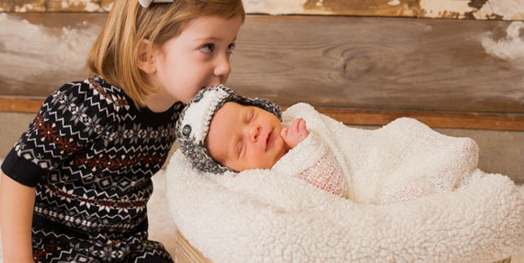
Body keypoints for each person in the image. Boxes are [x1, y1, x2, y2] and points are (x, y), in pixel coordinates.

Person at [0, 0, 244, 263]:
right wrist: (17, 262)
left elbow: (232, 133)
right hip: (62, 243)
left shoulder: (180, 110)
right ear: (148, 54)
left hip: (124, 240)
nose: (225, 65)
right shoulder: (84, 104)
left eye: (229, 47)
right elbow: (17, 174)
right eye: (208, 48)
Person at [177, 84, 480, 203]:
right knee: (404, 195)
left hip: (377, 153)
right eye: (241, 147)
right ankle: (441, 172)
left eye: (249, 117)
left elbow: (348, 142)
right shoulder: (274, 179)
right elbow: (335, 191)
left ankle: (440, 157)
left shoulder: (294, 119)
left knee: (404, 130)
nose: (254, 132)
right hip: (372, 187)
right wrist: (306, 148)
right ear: (236, 170)